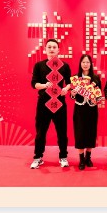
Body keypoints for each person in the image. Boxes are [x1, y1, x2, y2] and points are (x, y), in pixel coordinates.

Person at [29, 39, 71, 169]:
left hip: (59, 103)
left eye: (54, 47)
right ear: (45, 49)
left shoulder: (64, 66)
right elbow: (34, 84)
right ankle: (38, 157)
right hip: (44, 103)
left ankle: (63, 157)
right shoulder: (39, 65)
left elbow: (70, 83)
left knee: (62, 132)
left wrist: (66, 89)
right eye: (49, 47)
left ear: (58, 50)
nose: (51, 49)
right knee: (40, 132)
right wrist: (44, 85)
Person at [70, 54, 101, 170]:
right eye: (83, 62)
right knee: (80, 133)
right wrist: (72, 94)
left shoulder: (96, 78)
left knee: (90, 133)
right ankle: (81, 159)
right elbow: (72, 95)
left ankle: (88, 157)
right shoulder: (75, 78)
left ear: (91, 64)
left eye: (87, 62)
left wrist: (96, 99)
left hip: (92, 109)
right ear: (80, 64)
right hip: (79, 109)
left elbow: (99, 95)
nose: (85, 64)